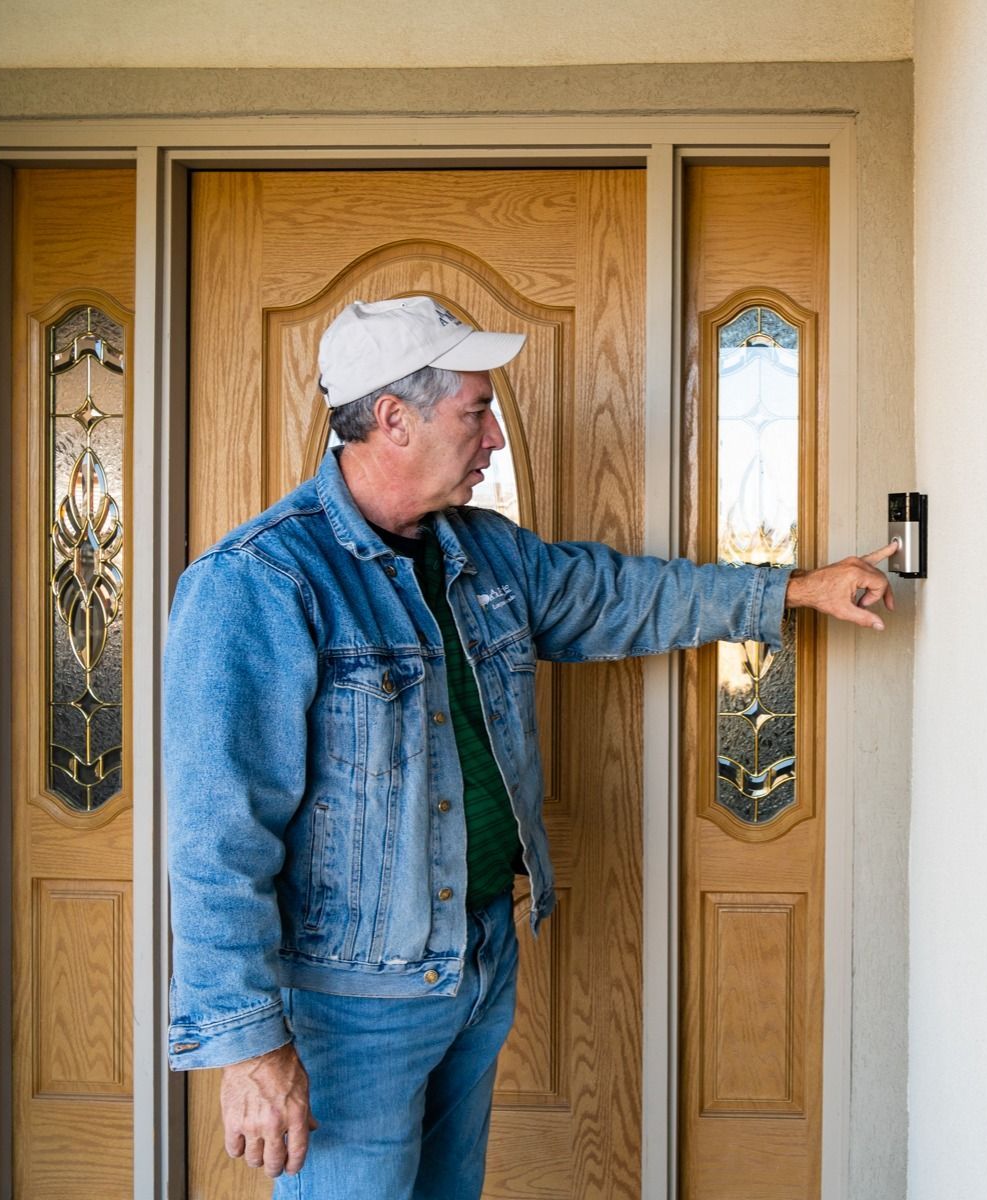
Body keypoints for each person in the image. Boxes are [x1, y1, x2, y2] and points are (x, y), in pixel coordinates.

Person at [163, 296, 895, 1199]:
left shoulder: (485, 555)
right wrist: (249, 1046)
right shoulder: (259, 583)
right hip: (354, 1002)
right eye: (477, 410)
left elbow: (620, 597)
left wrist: (798, 589)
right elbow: (216, 837)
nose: (497, 438)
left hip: (478, 959)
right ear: (393, 418)